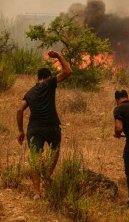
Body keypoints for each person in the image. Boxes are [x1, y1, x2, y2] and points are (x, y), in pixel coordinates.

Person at [16, 50, 72, 198]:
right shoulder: (50, 83)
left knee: (35, 159)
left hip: (33, 128)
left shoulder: (30, 92)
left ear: (38, 78)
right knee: (55, 151)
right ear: (47, 77)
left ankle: (36, 192)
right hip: (51, 126)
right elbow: (68, 71)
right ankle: (47, 175)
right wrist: (59, 56)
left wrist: (21, 131)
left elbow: (19, 110)